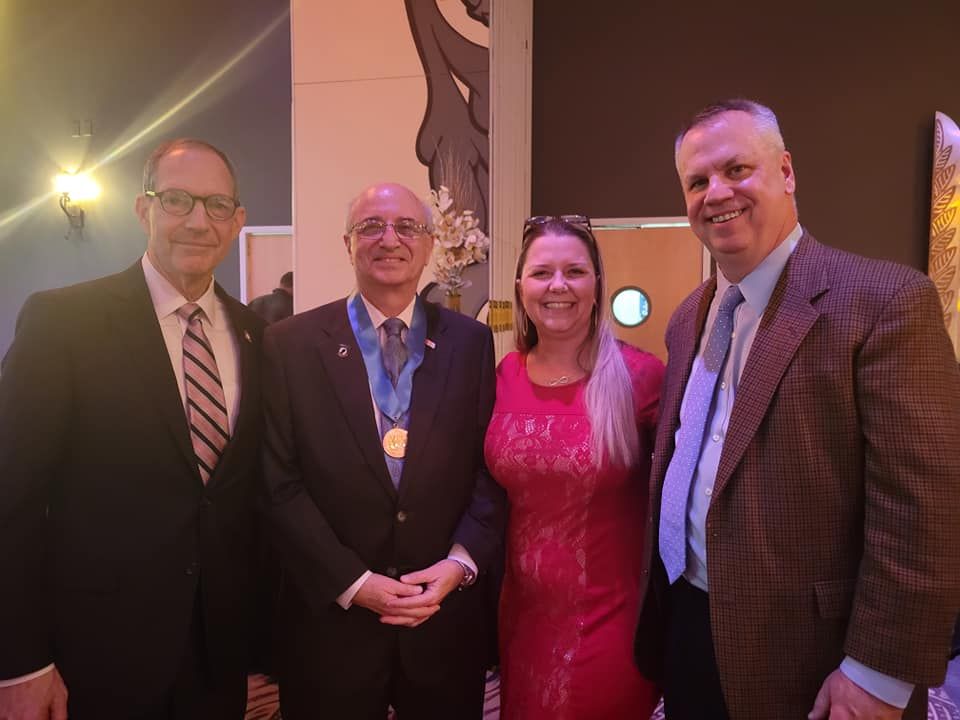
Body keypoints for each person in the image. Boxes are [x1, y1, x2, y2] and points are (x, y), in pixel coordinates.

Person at [634, 98, 960, 719]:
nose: (716, 192)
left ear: (786, 171)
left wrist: (876, 676)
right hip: (687, 621)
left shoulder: (886, 301)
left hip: (814, 655)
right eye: (697, 181)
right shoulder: (687, 318)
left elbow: (925, 514)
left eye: (736, 170)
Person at [0, 138, 265, 720]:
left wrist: (265, 654)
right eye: (178, 200)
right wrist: (20, 663)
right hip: (94, 660)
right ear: (144, 209)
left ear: (238, 220)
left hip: (218, 663)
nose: (199, 220)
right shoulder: (63, 322)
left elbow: (252, 502)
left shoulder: (261, 336)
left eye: (218, 205)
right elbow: (12, 503)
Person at [261, 182, 506, 719]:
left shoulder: (470, 343)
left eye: (406, 227)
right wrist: (354, 582)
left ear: (428, 244)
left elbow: (489, 469)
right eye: (371, 226)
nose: (388, 239)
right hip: (332, 624)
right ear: (347, 244)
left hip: (440, 617)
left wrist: (458, 565)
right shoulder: (290, 344)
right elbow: (278, 484)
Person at [484, 215, 663, 719]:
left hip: (610, 621)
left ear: (596, 284)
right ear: (520, 287)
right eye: (542, 273)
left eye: (575, 272)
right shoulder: (501, 376)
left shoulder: (642, 378)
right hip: (521, 620)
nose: (558, 286)